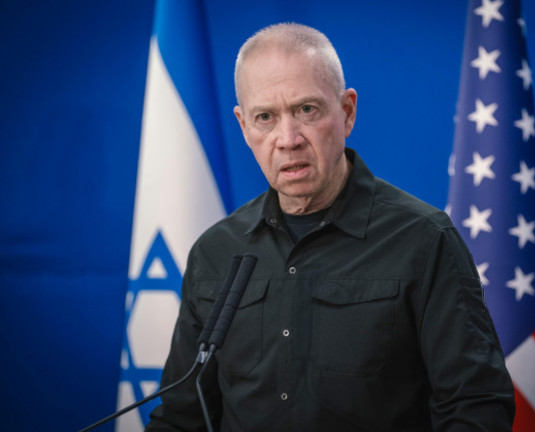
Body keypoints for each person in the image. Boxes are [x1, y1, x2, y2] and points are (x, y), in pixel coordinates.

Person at [146, 23, 515, 431]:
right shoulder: (215, 251)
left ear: (347, 112)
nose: (288, 139)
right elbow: (181, 417)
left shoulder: (425, 241)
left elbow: (477, 408)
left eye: (306, 110)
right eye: (265, 117)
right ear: (244, 127)